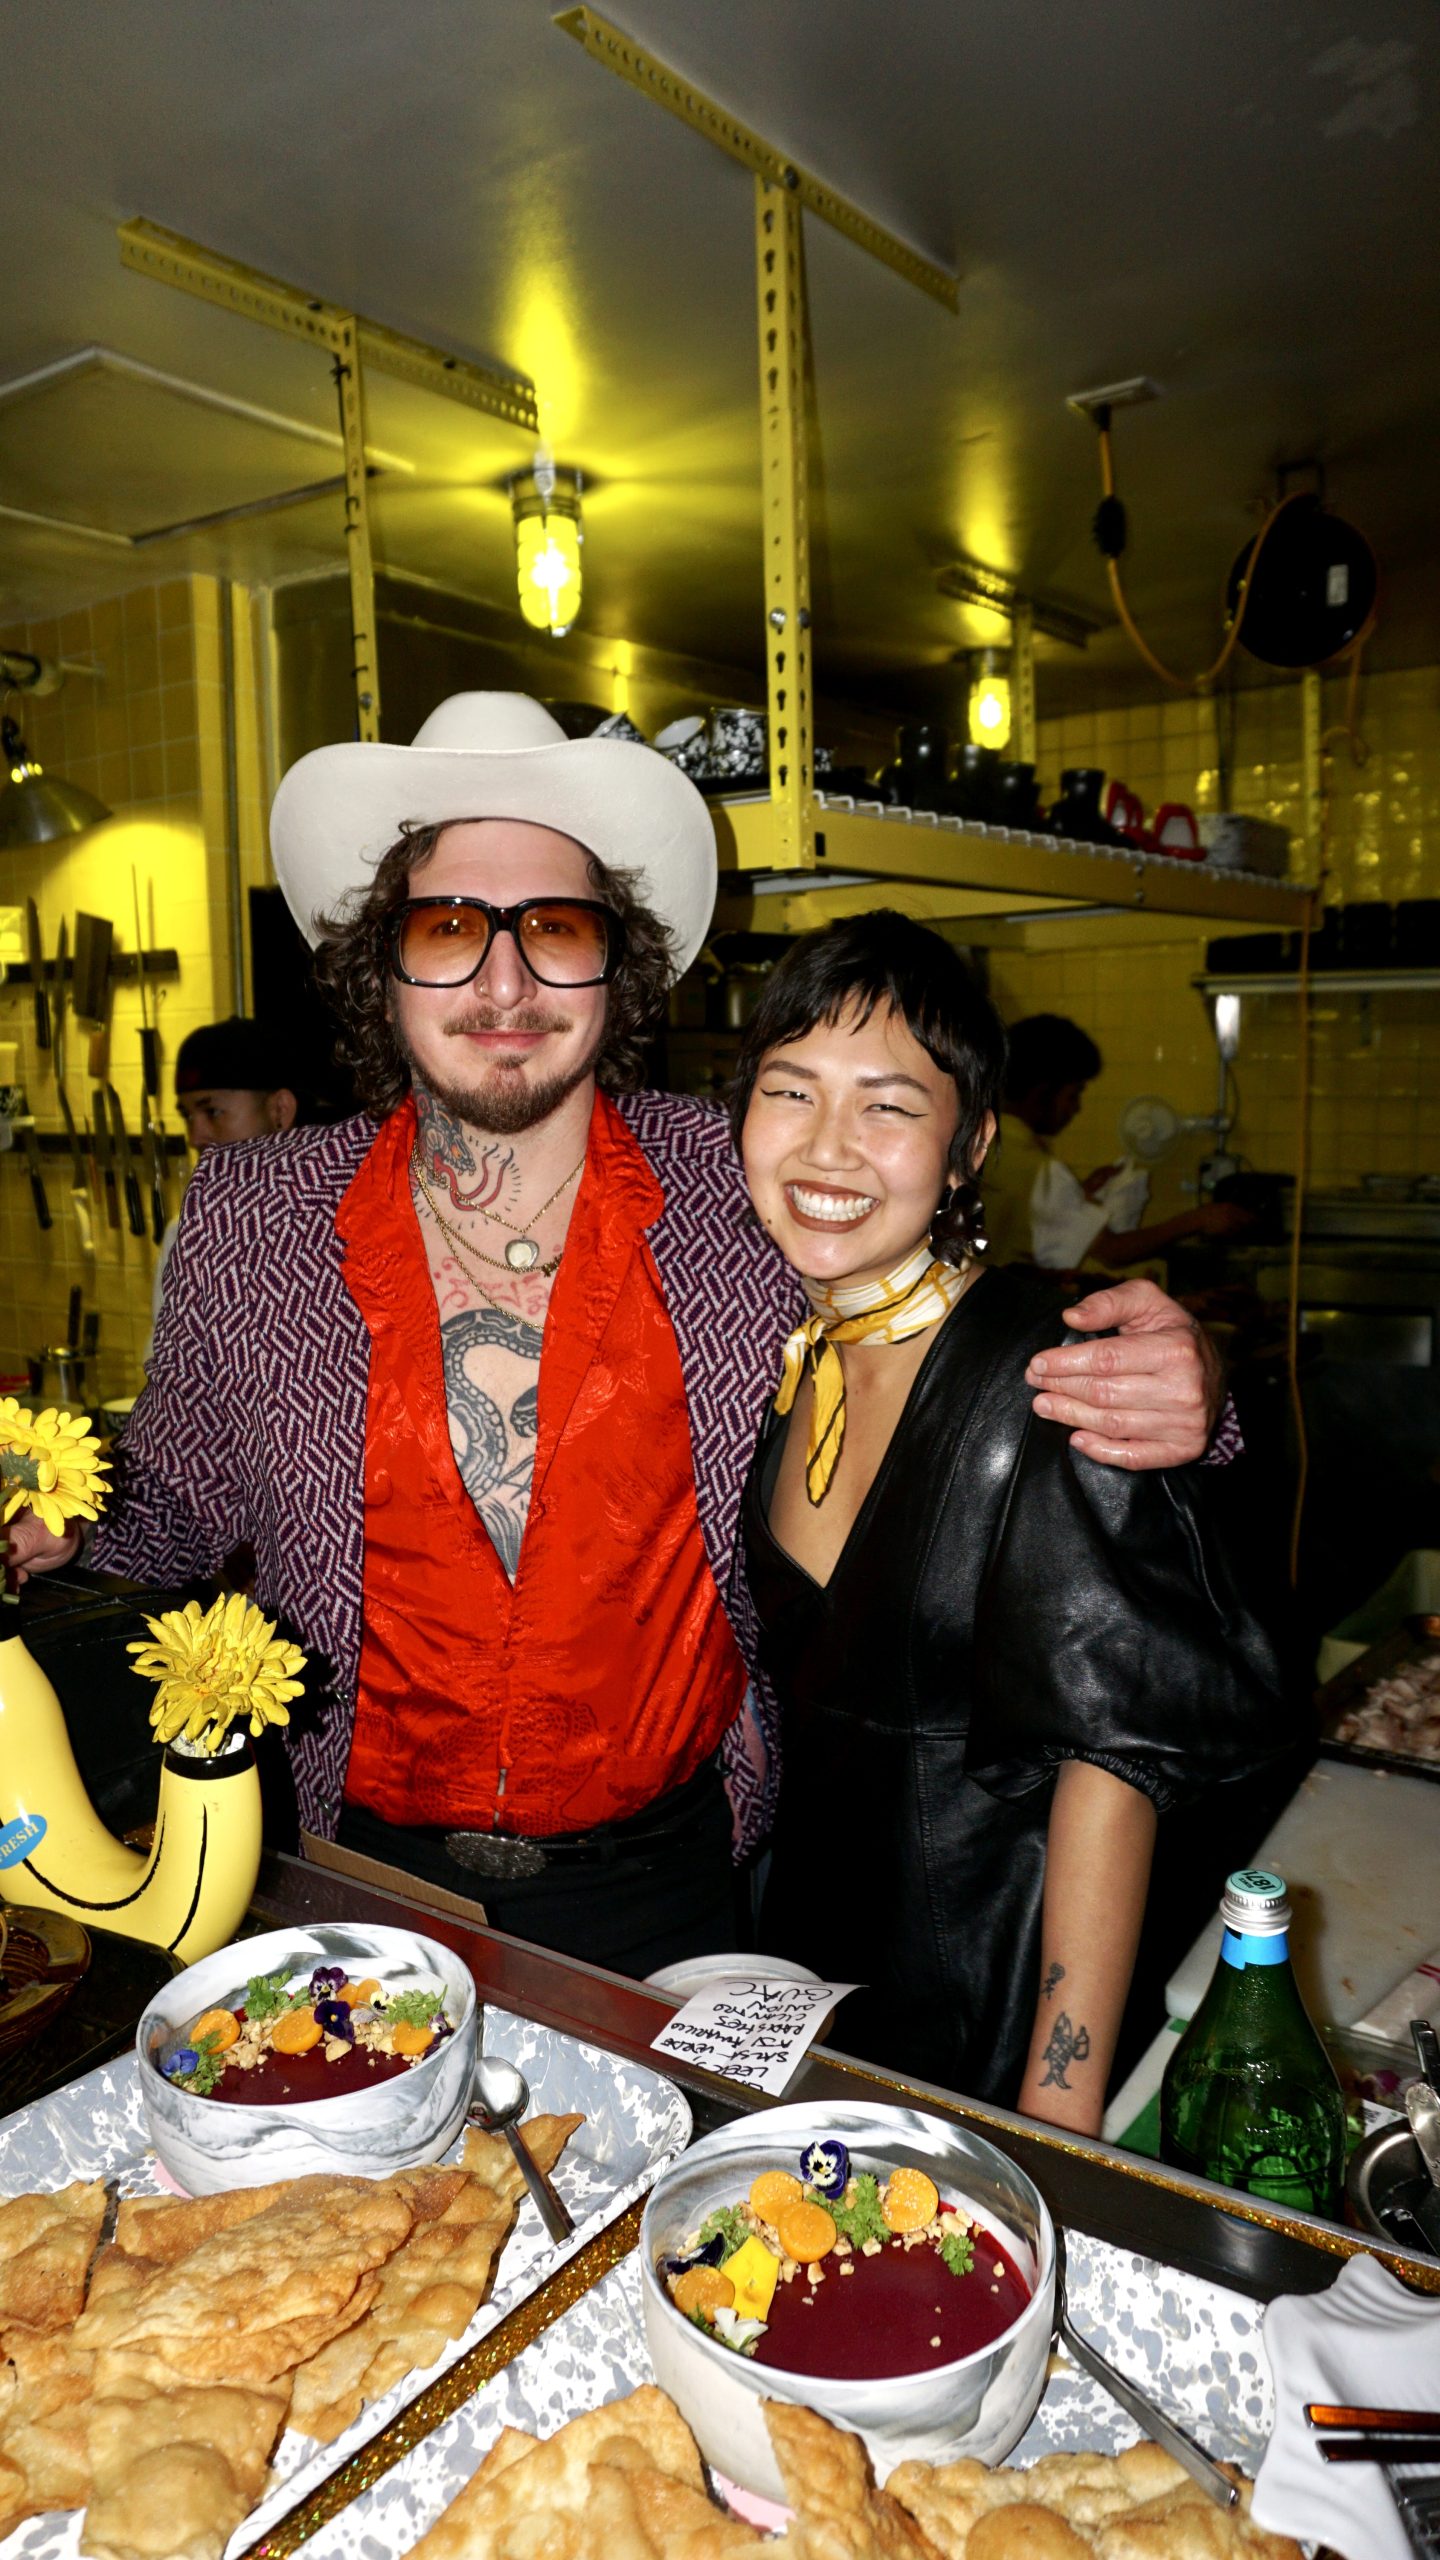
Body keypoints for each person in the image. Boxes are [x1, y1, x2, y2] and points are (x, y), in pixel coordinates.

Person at [10, 695, 1235, 1980]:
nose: (503, 982)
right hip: (341, 1870)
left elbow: (948, 1326)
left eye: (556, 929)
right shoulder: (253, 1212)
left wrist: (1184, 1373)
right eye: (447, 928)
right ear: (386, 962)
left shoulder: (740, 1181)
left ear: (620, 961)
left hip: (673, 1895)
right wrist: (49, 1514)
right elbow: (173, 1509)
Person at [734, 914, 1294, 2130]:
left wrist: (1056, 2115)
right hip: (815, 1990)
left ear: (968, 1142)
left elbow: (1110, 1762)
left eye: (887, 1105)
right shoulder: (792, 1361)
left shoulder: (1050, 1370)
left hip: (993, 2021)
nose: (828, 1146)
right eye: (791, 1090)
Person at [983, 1011, 1251, 1271]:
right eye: (1074, 1095)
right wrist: (1199, 1219)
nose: (1076, 1108)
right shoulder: (1039, 1170)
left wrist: (1079, 1196)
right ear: (1043, 1092)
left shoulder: (986, 1142)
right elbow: (1113, 1252)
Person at [147, 1016, 308, 1351]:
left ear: (280, 1110)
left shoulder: (341, 1226)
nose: (196, 1136)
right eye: (188, 1116)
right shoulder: (185, 1238)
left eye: (213, 1112)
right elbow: (168, 1375)